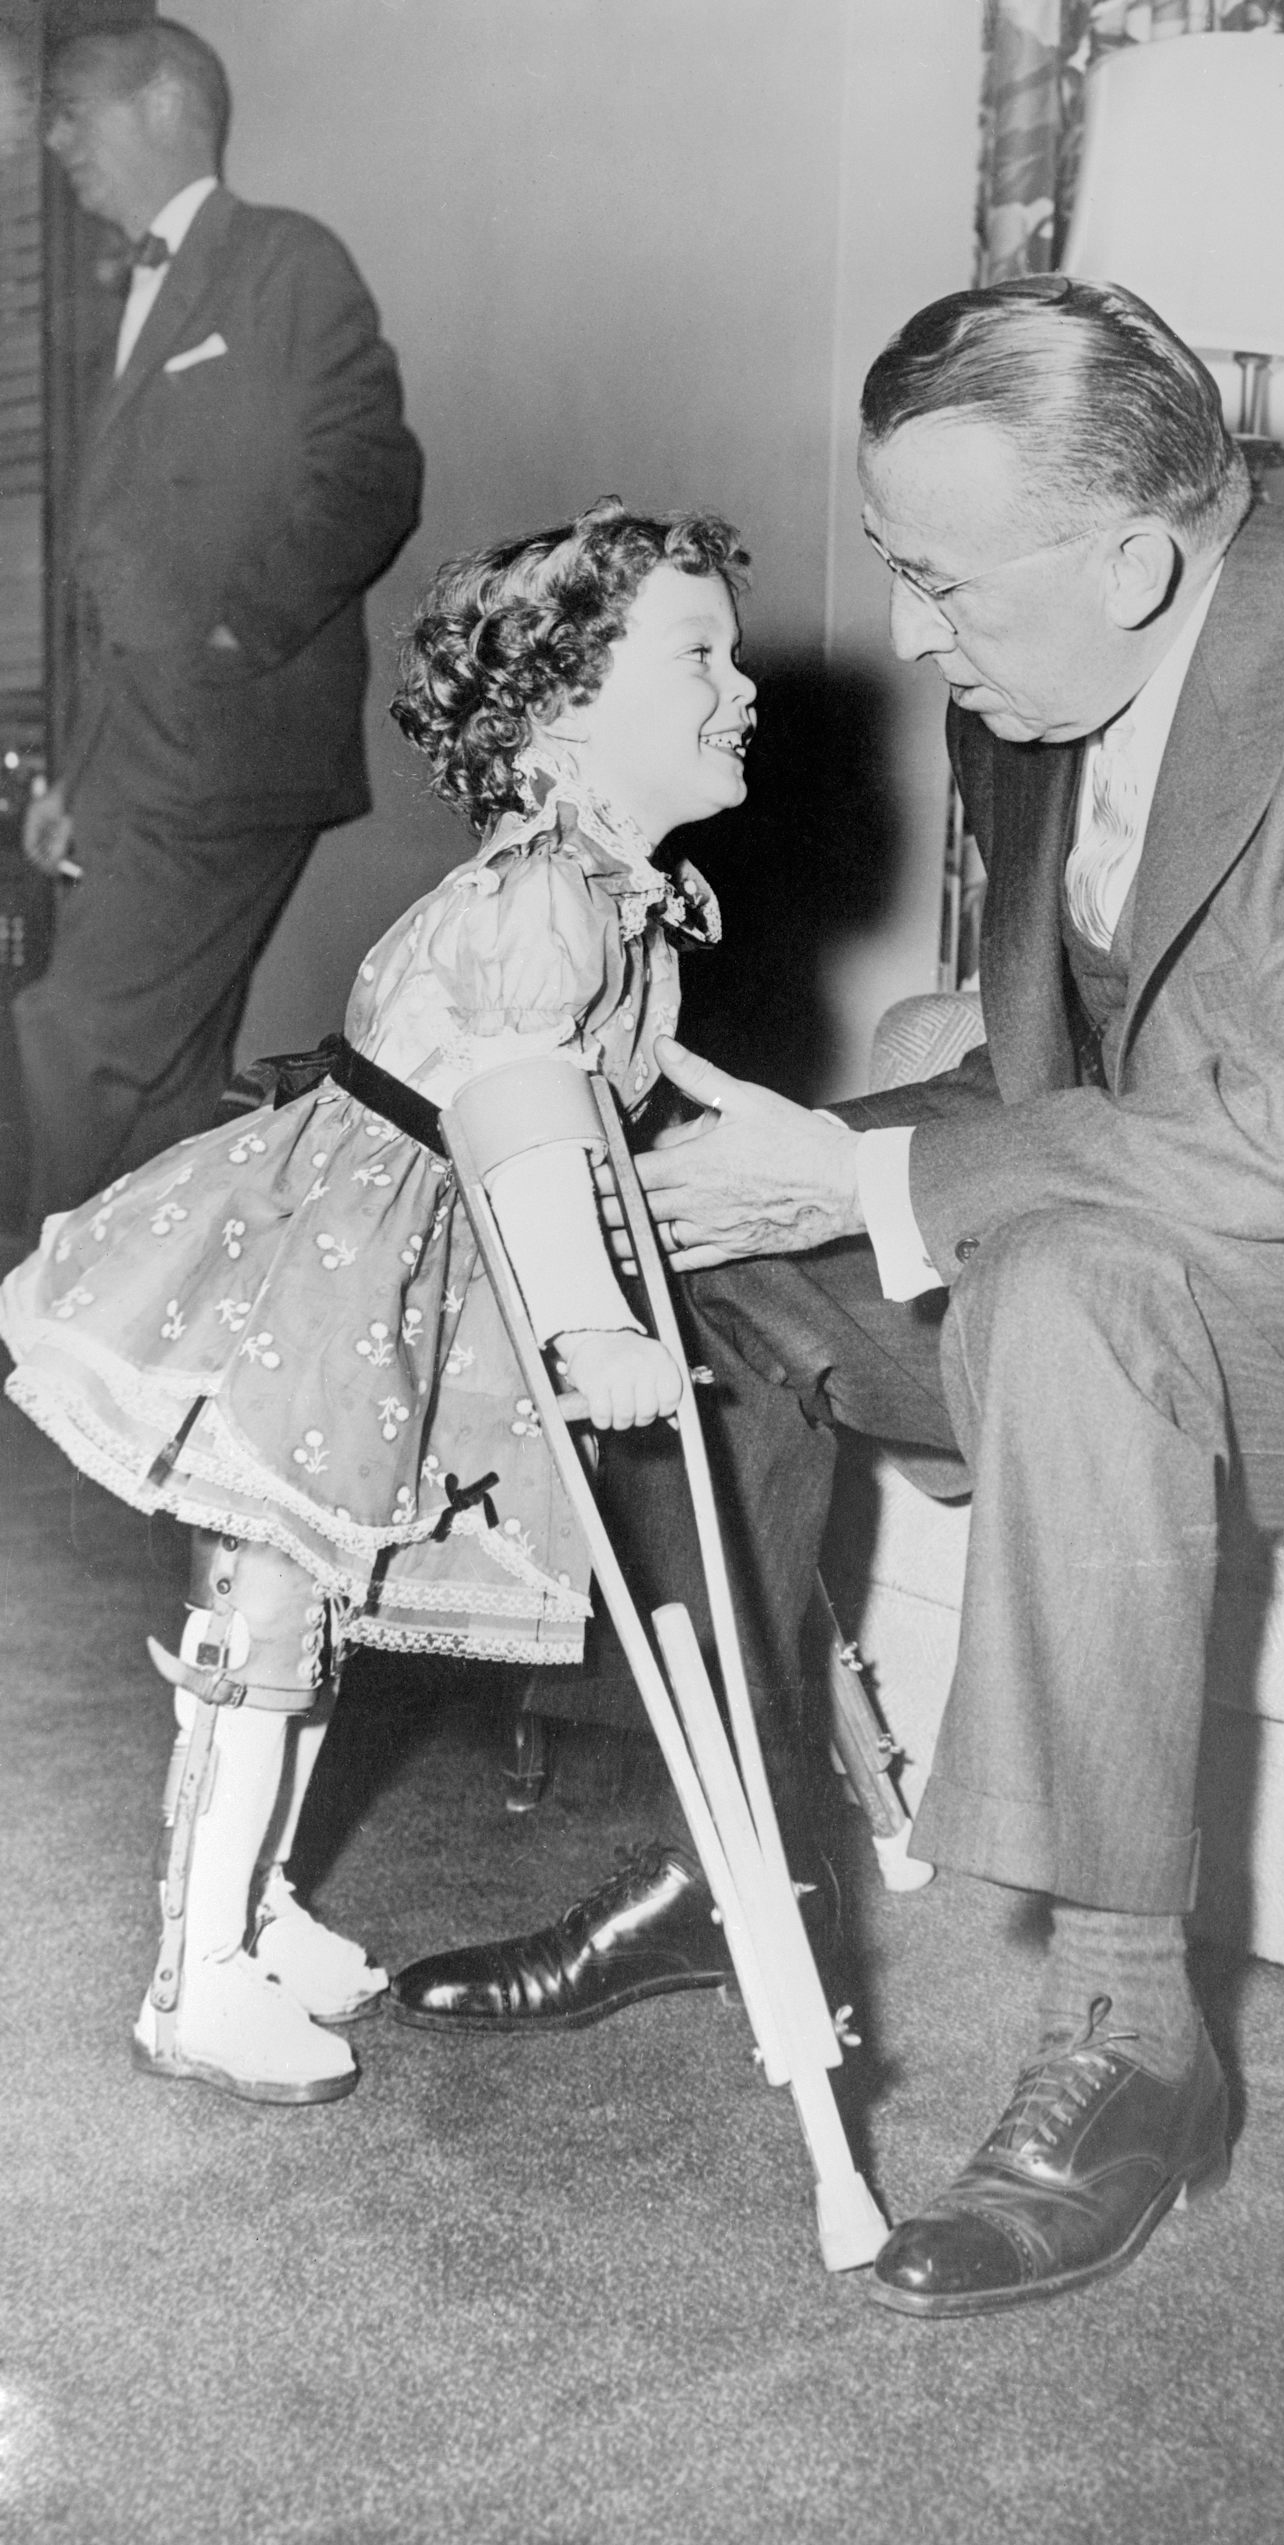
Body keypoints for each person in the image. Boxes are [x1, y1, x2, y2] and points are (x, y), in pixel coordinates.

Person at [390, 277, 1284, 2318]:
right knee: (698, 1286)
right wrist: (784, 1185)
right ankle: (734, 1854)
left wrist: (871, 1177)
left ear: (1130, 554)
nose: (909, 629)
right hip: (1183, 1226)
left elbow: (1281, 1139)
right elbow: (1057, 1089)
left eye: (939, 576)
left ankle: (1135, 2042)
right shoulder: (1049, 677)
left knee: (1065, 1288)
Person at [0, 501, 758, 2107]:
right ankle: (196, 1977)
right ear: (560, 712)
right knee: (268, 1611)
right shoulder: (547, 899)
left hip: (396, 1273)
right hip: (331, 1267)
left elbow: (602, 1123)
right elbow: (528, 1132)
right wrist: (588, 1325)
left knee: (312, 1606)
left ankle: (255, 1902)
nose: (740, 684)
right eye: (698, 653)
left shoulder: (609, 900)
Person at [18, 19, 422, 1225]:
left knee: (74, 1035)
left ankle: (31, 1339)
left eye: (71, 108)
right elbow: (108, 574)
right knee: (160, 1086)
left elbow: (371, 471)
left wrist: (233, 639)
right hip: (134, 756)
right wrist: (69, 779)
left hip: (221, 751)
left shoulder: (283, 262)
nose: (51, 139)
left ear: (162, 106)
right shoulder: (119, 292)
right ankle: (123, 1370)